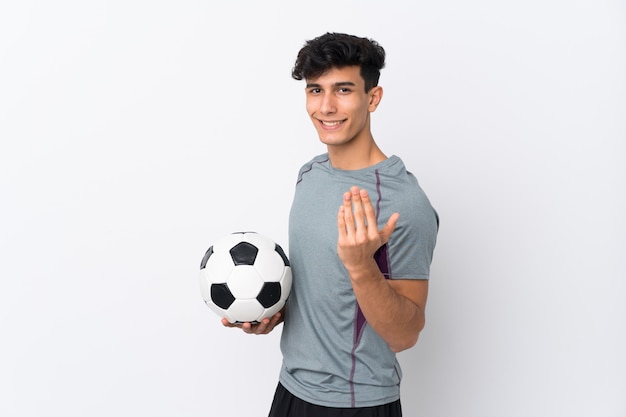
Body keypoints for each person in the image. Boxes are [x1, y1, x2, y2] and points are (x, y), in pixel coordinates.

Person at [222, 32, 439, 416]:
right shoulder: (311, 174)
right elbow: (322, 287)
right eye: (314, 90)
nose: (325, 106)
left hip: (356, 404)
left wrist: (360, 266)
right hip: (290, 388)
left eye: (342, 90)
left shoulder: (403, 202)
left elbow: (406, 334)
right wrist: (272, 310)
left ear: (372, 98)